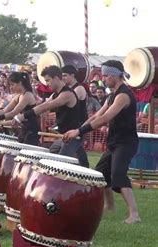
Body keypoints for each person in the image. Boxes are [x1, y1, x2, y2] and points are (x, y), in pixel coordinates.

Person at [63, 60, 141, 224]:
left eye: (105, 76)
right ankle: (110, 206)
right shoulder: (112, 95)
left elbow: (105, 118)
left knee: (118, 174)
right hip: (114, 142)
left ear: (114, 75)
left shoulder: (123, 96)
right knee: (101, 173)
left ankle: (134, 214)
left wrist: (79, 131)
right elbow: (97, 116)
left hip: (126, 143)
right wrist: (78, 130)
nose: (103, 79)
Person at [13, 65, 88, 167]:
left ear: (56, 78)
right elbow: (43, 107)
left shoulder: (67, 94)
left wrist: (22, 116)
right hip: (63, 135)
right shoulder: (56, 94)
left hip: (73, 135)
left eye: (48, 80)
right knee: (51, 154)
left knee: (60, 164)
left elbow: (47, 105)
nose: (47, 84)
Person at [0, 72, 40, 145]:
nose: (11, 87)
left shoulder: (27, 95)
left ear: (20, 83)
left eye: (12, 84)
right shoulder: (19, 96)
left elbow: (13, 112)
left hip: (32, 130)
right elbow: (5, 110)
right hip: (24, 128)